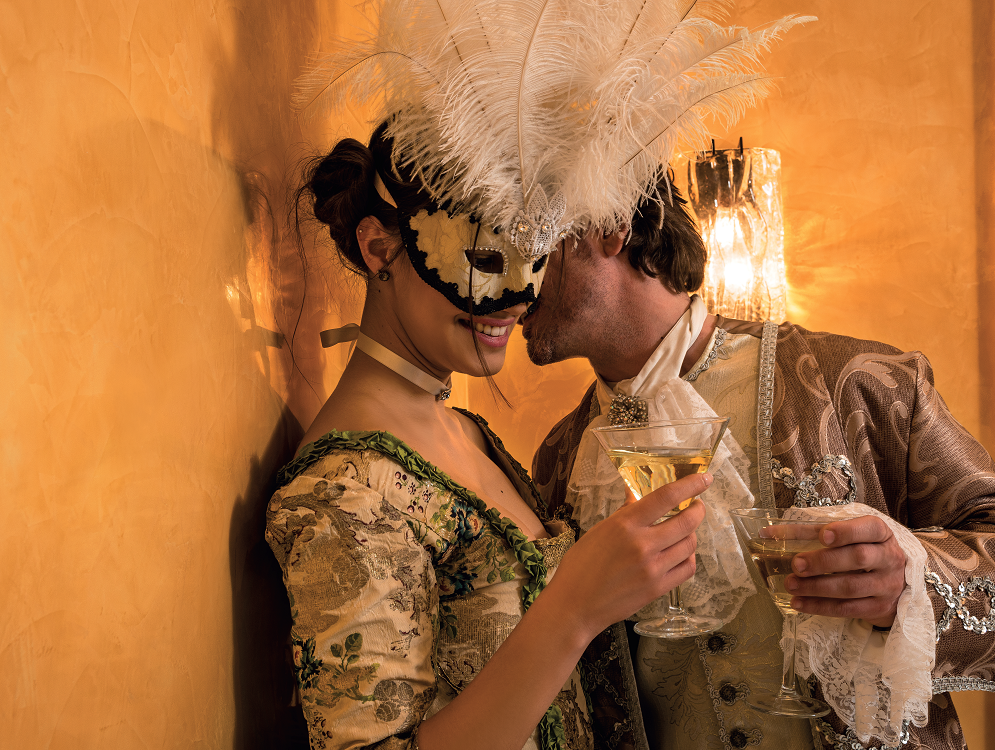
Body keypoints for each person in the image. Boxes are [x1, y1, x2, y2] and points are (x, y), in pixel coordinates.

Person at [264, 124, 711, 750]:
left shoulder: (467, 432)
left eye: (533, 258)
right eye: (485, 262)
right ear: (380, 249)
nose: (517, 301)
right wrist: (574, 609)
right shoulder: (344, 488)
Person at [525, 174, 995, 750]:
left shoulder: (860, 383)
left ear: (608, 227)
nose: (507, 282)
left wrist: (912, 580)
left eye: (526, 239)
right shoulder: (558, 460)